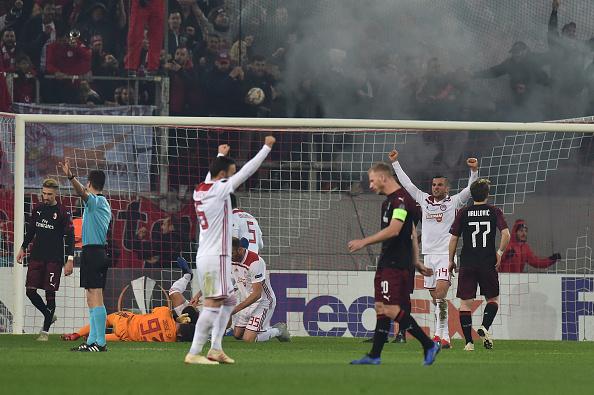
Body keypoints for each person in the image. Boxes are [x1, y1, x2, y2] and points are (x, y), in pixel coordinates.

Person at [185, 137, 275, 365]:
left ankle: (215, 348)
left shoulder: (200, 190)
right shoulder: (219, 190)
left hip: (206, 255)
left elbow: (211, 176)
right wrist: (266, 148)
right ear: (223, 174)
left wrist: (219, 156)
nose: (232, 176)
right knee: (214, 304)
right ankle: (195, 352)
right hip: (217, 257)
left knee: (228, 299)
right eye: (229, 172)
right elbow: (247, 171)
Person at [348, 162, 440, 366]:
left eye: (372, 180)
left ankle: (428, 344)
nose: (370, 185)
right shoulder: (388, 202)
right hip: (387, 261)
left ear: (383, 178)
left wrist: (363, 241)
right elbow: (410, 234)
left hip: (397, 264)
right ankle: (374, 356)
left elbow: (395, 230)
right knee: (381, 307)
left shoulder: (401, 201)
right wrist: (417, 261)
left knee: (390, 309)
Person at [390, 149, 479, 349]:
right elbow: (408, 184)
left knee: (440, 294)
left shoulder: (454, 201)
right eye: (433, 185)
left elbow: (471, 189)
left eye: (440, 185)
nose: (436, 187)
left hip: (445, 256)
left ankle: (440, 336)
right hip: (428, 256)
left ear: (447, 187)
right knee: (435, 297)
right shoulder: (424, 200)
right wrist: (395, 163)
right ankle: (443, 336)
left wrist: (474, 171)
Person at [61, 262, 199, 342]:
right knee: (112, 337)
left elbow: (156, 311)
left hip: (127, 320)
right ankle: (95, 338)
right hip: (128, 336)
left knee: (107, 319)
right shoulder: (170, 340)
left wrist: (173, 316)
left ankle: (77, 334)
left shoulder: (164, 313)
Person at [448, 179, 510, 351]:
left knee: (465, 304)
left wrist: (450, 260)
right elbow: (506, 234)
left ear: (471, 195)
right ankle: (484, 327)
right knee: (493, 299)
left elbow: (453, 238)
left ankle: (468, 343)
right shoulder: (494, 211)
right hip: (487, 261)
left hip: (467, 262)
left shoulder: (463, 212)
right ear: (487, 194)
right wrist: (499, 253)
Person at [60, 160, 112, 352]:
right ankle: (92, 341)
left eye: (86, 182)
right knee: (91, 297)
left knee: (96, 296)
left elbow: (83, 194)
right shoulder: (98, 204)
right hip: (92, 252)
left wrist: (71, 177)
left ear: (89, 182)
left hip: (96, 252)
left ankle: (101, 342)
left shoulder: (98, 202)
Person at [16, 178, 74, 341]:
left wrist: (69, 259)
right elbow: (31, 230)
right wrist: (22, 247)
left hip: (54, 259)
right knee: (30, 291)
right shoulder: (37, 209)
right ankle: (48, 314)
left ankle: (45, 332)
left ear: (56, 193)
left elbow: (70, 236)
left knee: (50, 294)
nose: (45, 197)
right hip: (36, 256)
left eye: (49, 194)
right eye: (44, 193)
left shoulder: (62, 212)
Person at [231, 237, 289, 342]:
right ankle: (256, 329)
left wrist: (235, 309)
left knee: (248, 339)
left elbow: (257, 294)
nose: (230, 257)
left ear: (240, 249)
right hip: (249, 302)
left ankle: (278, 330)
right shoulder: (231, 259)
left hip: (263, 301)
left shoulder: (254, 261)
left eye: (232, 253)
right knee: (237, 335)